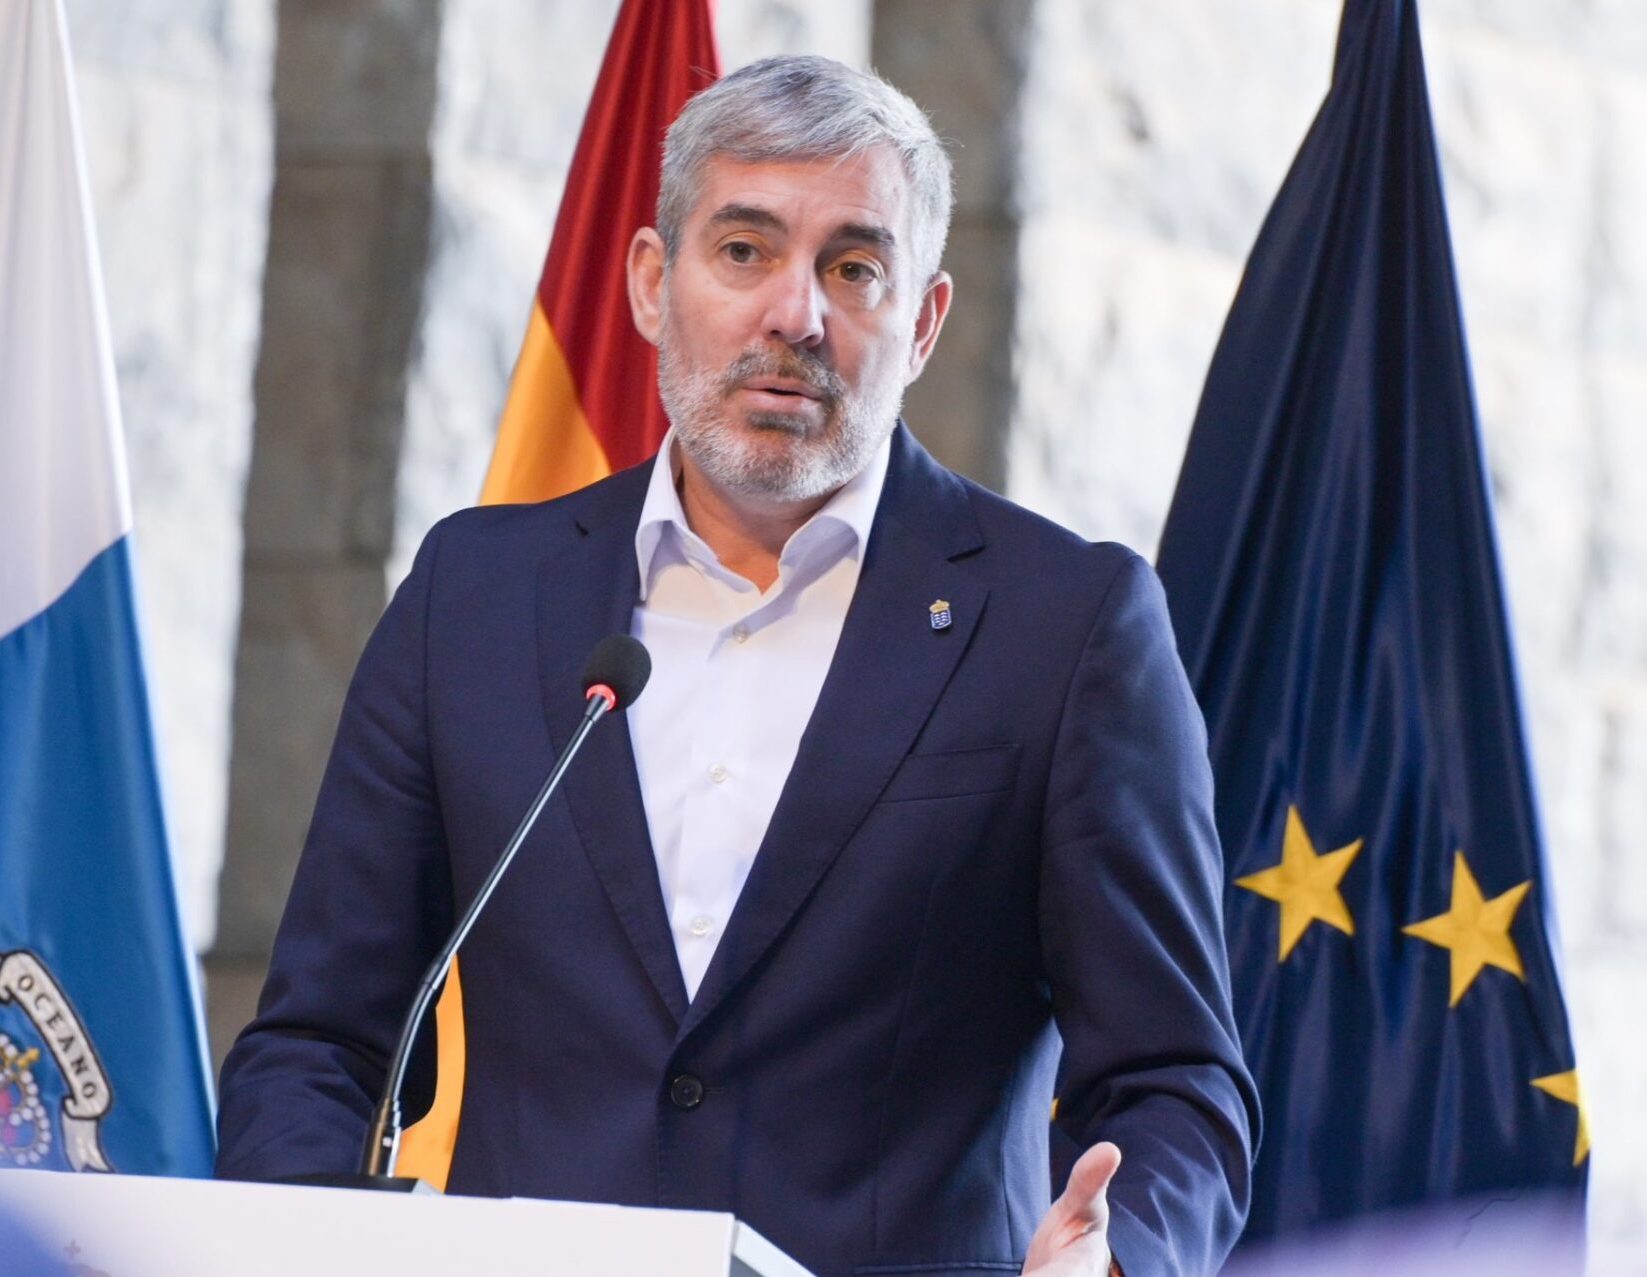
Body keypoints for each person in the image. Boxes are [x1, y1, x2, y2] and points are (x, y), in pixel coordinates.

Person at [216, 55, 1259, 1277]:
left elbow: (1177, 1081)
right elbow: (320, 1042)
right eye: (745, 250)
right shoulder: (475, 596)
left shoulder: (1067, 625)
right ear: (652, 283)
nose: (794, 314)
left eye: (853, 268)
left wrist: (1118, 1257)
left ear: (923, 322)